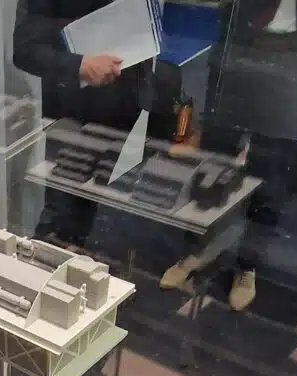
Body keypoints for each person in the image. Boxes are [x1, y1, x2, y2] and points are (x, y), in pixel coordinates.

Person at [13, 0, 182, 245]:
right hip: (74, 114)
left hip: (132, 103)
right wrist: (80, 65)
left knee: (109, 206)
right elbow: (24, 50)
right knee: (61, 212)